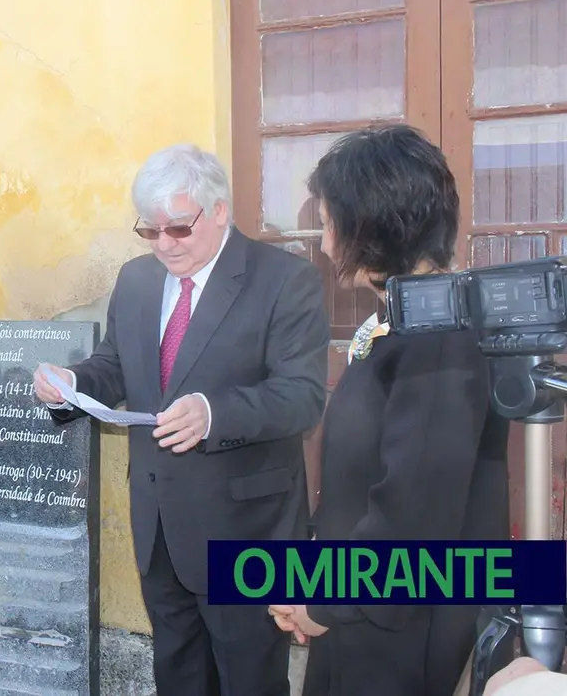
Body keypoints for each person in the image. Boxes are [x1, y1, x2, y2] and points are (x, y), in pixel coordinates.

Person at [33, 144, 330, 696]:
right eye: (150, 231)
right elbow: (114, 367)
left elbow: (302, 397)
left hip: (249, 531)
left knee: (250, 681)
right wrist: (70, 386)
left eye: (178, 228)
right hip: (159, 528)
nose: (164, 244)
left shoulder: (285, 280)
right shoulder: (138, 280)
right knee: (178, 676)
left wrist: (214, 414)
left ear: (219, 211)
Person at [268, 124, 510, 696]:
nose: (325, 245)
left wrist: (324, 601)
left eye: (330, 223)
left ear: (374, 224)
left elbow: (413, 510)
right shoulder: (403, 321)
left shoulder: (442, 337)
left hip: (400, 629)